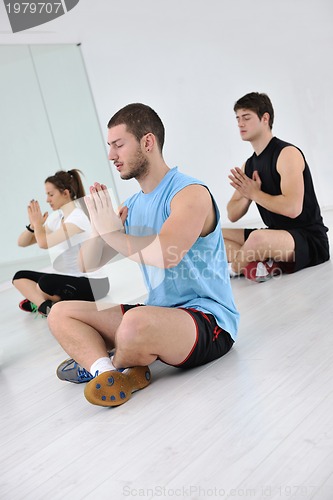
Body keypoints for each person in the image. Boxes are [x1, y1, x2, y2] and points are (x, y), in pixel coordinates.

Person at [47, 103, 239, 407]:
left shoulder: (190, 193)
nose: (111, 155)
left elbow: (167, 254)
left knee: (135, 323)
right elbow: (86, 263)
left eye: (119, 145)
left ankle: (112, 360)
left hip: (208, 322)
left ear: (147, 142)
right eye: (110, 146)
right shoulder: (133, 204)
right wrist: (100, 230)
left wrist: (114, 235)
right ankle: (106, 372)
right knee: (60, 313)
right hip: (158, 312)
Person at [223, 92, 330, 283]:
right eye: (237, 118)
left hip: (308, 239)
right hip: (274, 234)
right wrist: (248, 195)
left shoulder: (287, 154)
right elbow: (232, 213)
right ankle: (259, 260)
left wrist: (255, 193)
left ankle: (232, 269)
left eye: (246, 118)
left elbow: (292, 208)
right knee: (215, 235)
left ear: (265, 118)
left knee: (257, 239)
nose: (240, 124)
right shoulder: (248, 165)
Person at [12, 169, 110, 316]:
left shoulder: (78, 217)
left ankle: (40, 300)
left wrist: (38, 224)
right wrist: (33, 226)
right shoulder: (55, 218)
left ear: (66, 193)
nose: (47, 200)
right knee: (20, 276)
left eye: (51, 194)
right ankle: (45, 305)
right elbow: (22, 242)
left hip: (95, 285)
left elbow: (44, 243)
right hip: (69, 280)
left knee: (45, 283)